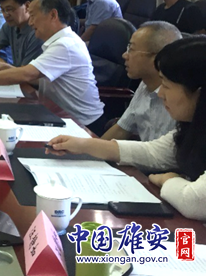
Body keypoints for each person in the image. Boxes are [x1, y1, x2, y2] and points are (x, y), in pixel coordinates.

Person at [48, 38, 206, 221]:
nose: (161, 94)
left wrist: (167, 180)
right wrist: (84, 145)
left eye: (167, 86)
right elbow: (152, 153)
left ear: (199, 94)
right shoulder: (192, 127)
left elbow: (193, 201)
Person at [0, 0, 104, 129]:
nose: (30, 22)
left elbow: (27, 74)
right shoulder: (59, 41)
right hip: (58, 111)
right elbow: (38, 77)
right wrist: (7, 68)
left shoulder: (65, 45)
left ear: (53, 15)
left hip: (82, 122)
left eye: (33, 16)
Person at [101, 21, 181, 141]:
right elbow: (122, 129)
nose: (124, 55)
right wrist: (88, 150)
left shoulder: (181, 98)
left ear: (158, 58)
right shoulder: (145, 84)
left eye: (131, 49)